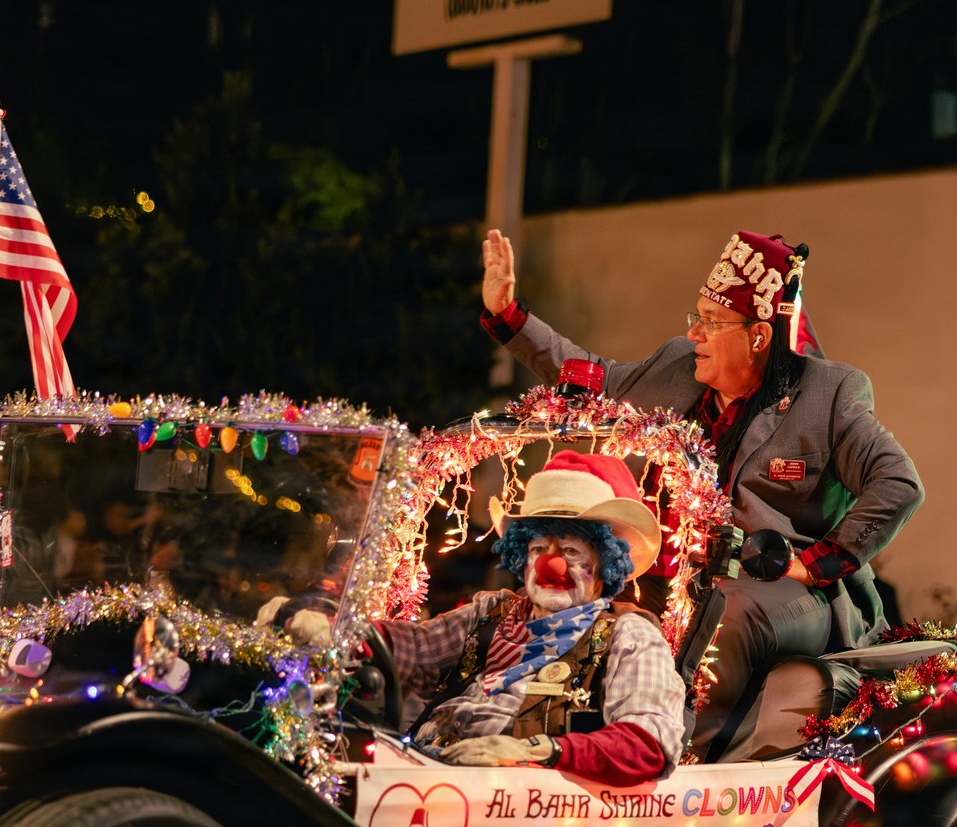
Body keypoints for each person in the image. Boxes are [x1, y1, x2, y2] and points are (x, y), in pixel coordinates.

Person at [479, 228, 924, 759]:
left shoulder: (829, 394)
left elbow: (899, 484)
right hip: (686, 577)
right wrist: (509, 315)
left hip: (793, 594)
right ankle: (562, 741)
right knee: (595, 604)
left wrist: (813, 564)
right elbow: (590, 379)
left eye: (711, 323)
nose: (694, 335)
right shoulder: (676, 370)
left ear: (759, 336)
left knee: (725, 614)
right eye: (696, 319)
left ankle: (678, 767)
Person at [376, 451, 687, 787]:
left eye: (570, 551)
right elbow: (408, 648)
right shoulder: (491, 614)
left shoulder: (628, 636)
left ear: (606, 564)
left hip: (506, 806)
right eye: (539, 549)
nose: (549, 566)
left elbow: (646, 745)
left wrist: (537, 750)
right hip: (414, 773)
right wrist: (343, 636)